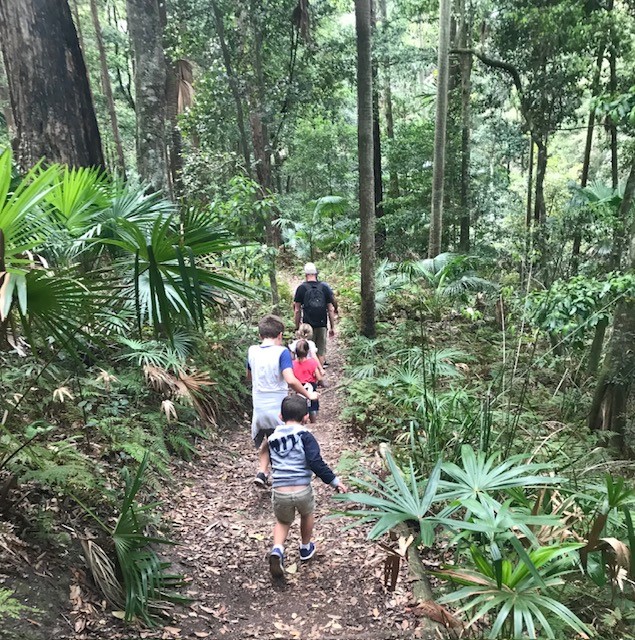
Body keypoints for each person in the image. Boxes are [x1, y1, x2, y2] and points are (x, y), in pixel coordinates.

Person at [259, 395, 347, 579]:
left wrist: (263, 472)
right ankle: (305, 547)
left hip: (280, 490)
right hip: (302, 490)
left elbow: (266, 455)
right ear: (306, 417)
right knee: (306, 514)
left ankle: (277, 549)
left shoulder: (273, 437)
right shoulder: (305, 436)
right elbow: (315, 462)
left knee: (283, 522)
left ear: (280, 417)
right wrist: (334, 481)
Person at [247, 315, 317, 487]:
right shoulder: (282, 352)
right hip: (278, 407)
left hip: (259, 406)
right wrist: (309, 395)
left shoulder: (252, 351)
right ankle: (285, 477)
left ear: (260, 335)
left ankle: (262, 472)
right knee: (285, 440)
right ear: (280, 335)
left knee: (269, 439)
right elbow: (290, 379)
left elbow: (249, 377)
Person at [293, 263, 338, 366]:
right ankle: (319, 377)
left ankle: (310, 378)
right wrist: (332, 327)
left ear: (305, 274)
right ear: (316, 273)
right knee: (320, 352)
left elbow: (297, 309)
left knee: (308, 352)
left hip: (307, 325)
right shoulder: (324, 287)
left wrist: (297, 326)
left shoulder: (301, 288)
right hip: (322, 323)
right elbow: (330, 309)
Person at [292, 339, 322, 423]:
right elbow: (319, 377)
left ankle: (302, 421)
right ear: (308, 351)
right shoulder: (312, 363)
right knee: (313, 405)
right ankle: (313, 422)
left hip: (298, 387)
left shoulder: (292, 364)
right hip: (311, 386)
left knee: (300, 404)